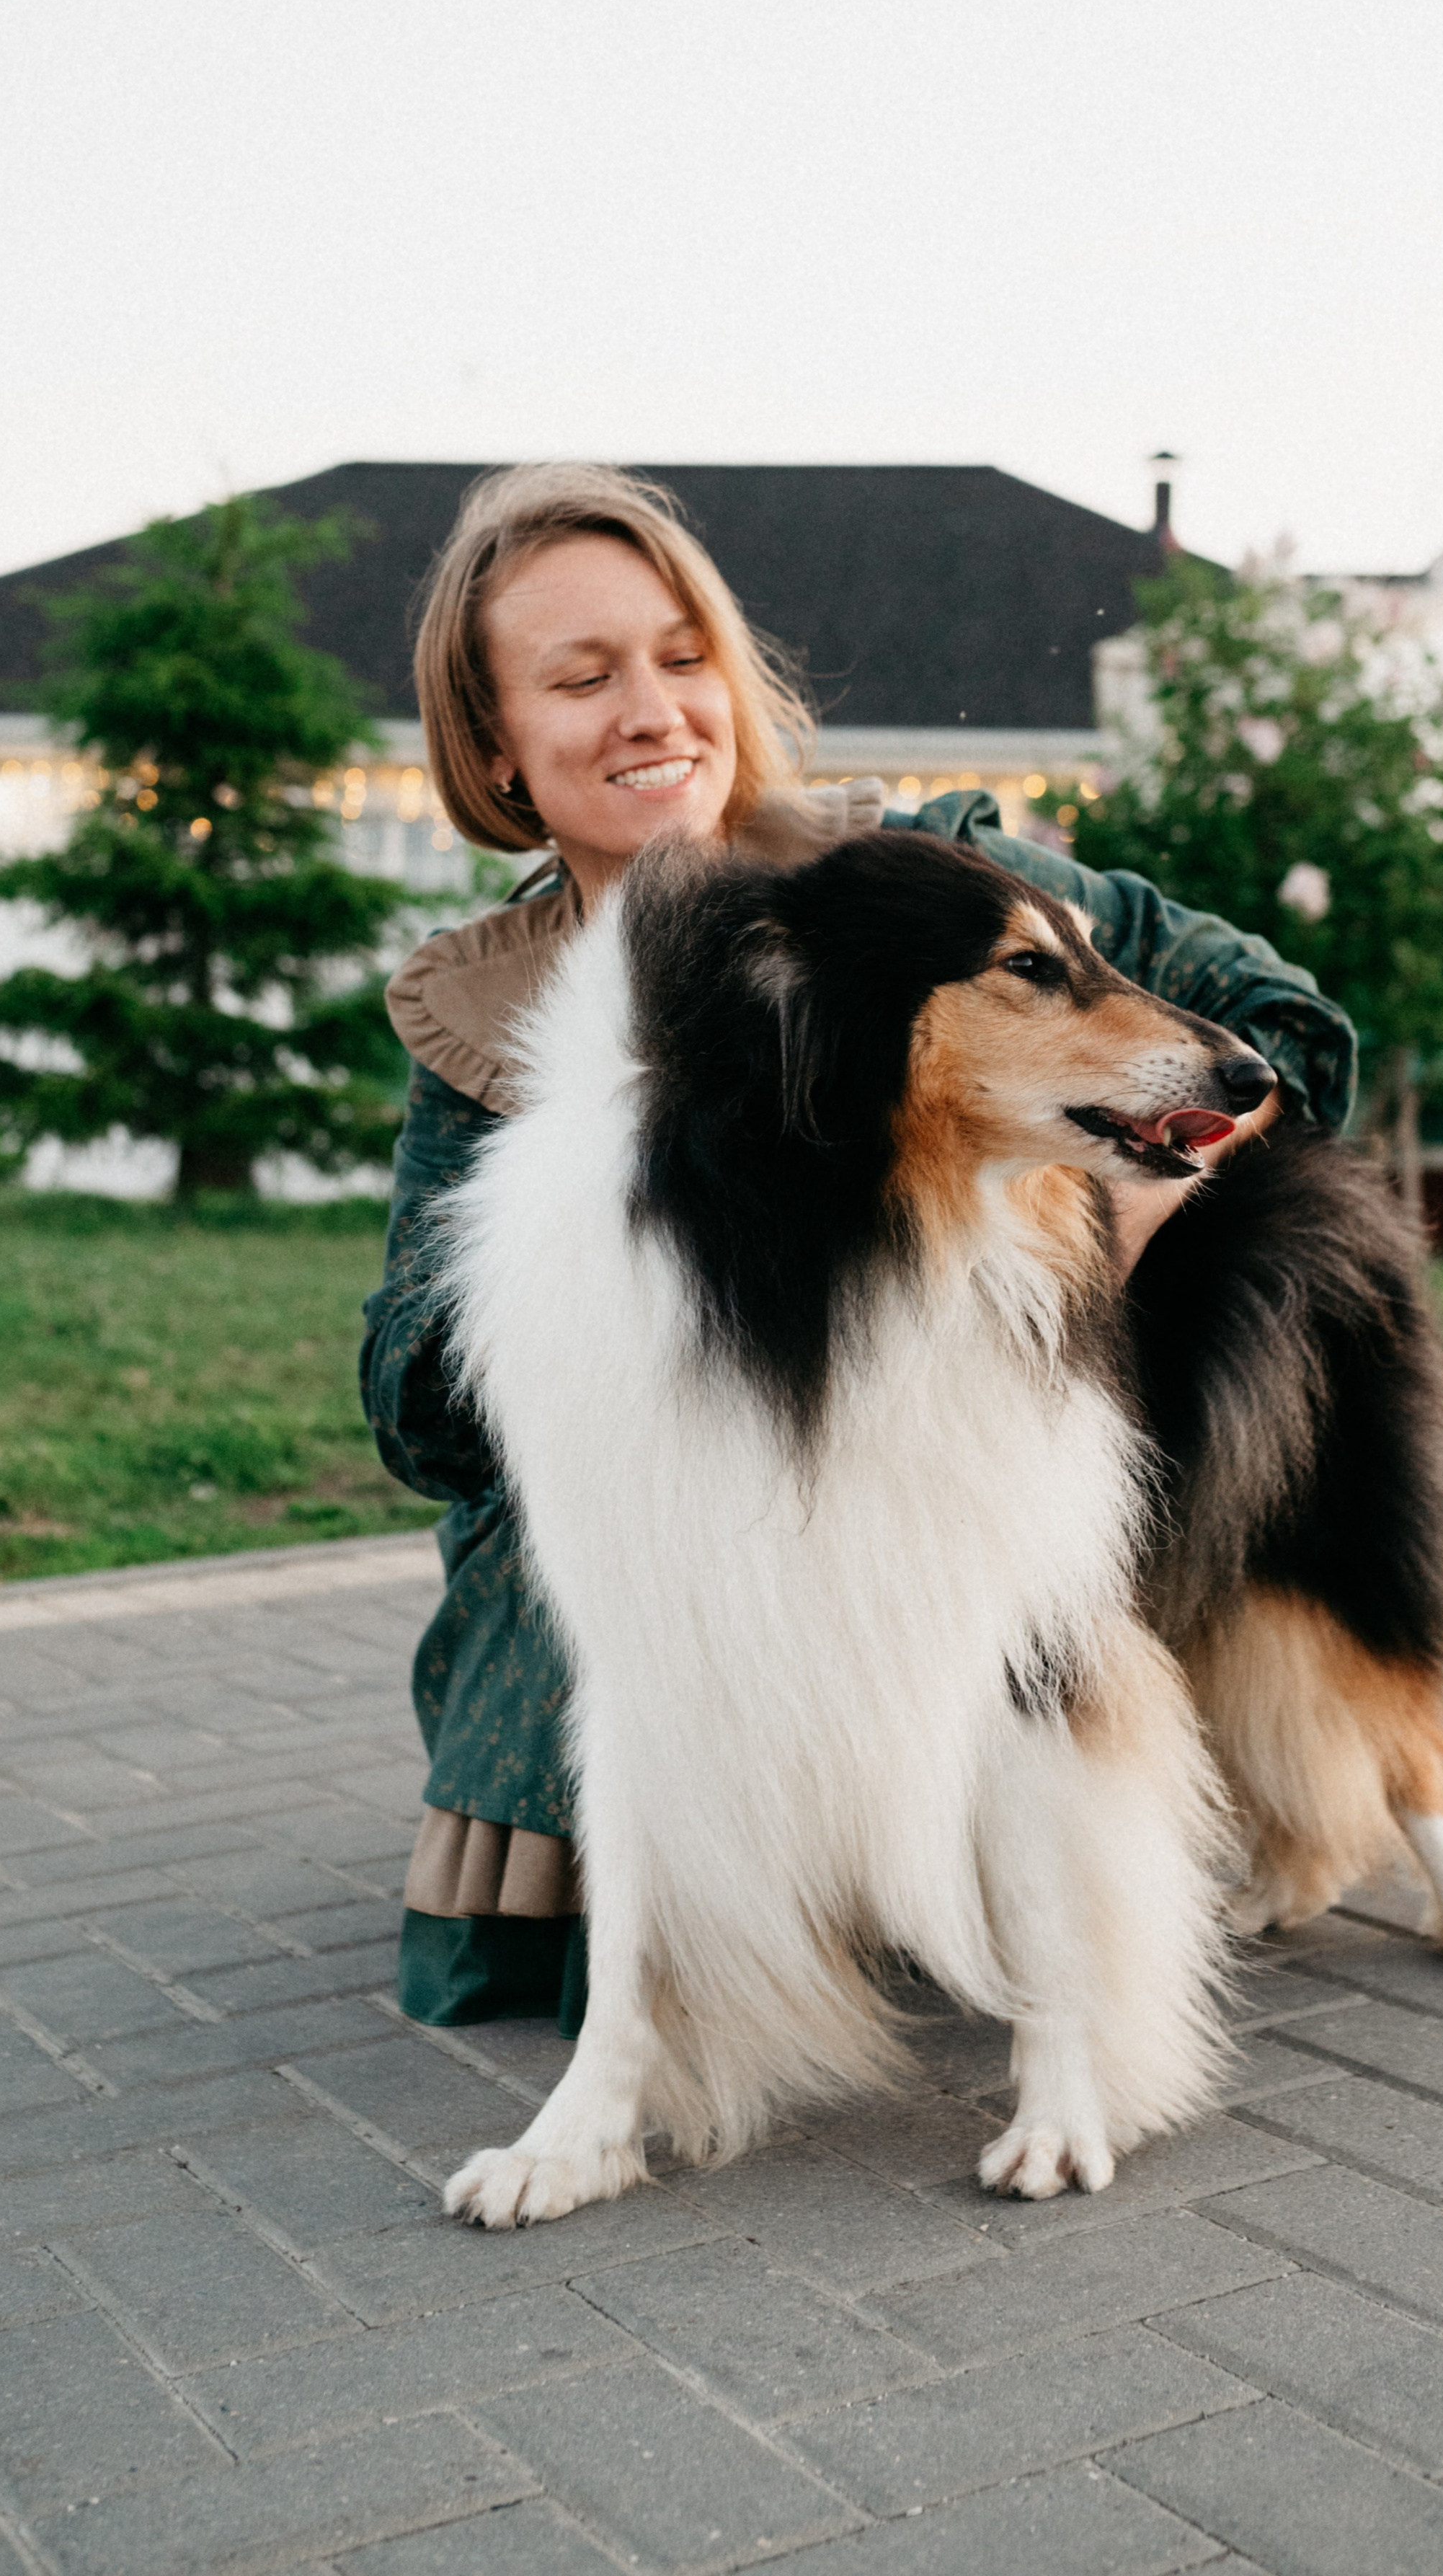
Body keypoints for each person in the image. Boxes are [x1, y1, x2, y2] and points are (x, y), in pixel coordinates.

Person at [362, 464, 1358, 2035]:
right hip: (662, 1526)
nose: (651, 712)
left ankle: (1027, 1806)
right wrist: (570, 1272)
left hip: (938, 1466)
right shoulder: (479, 1011)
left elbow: (1288, 1027)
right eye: (581, 677)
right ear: (495, 745)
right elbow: (411, 1417)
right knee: (576, 1963)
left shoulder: (915, 888)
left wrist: (1129, 1201)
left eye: (682, 657)